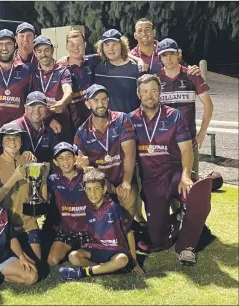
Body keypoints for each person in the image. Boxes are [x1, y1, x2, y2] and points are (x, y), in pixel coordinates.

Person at [129, 74, 211, 265]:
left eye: (154, 91)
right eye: (145, 92)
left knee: (196, 194)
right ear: (138, 94)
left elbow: (186, 149)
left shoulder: (174, 115)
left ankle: (186, 247)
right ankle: (177, 219)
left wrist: (185, 175)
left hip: (174, 175)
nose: (150, 95)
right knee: (157, 240)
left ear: (160, 93)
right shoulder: (130, 120)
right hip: (151, 182)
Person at [59, 169, 145, 280]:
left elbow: (129, 233)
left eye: (96, 189)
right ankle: (103, 269)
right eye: (89, 189)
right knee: (73, 256)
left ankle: (84, 272)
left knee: (122, 259)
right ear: (85, 190)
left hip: (115, 252)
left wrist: (134, 261)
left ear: (104, 189)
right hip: (96, 251)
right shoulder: (87, 210)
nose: (92, 193)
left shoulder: (115, 208)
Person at [74, 84, 139, 217]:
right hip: (101, 184)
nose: (101, 104)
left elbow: (130, 154)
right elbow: (80, 165)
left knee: (128, 199)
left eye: (104, 99)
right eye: (96, 100)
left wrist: (126, 182)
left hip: (123, 178)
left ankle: (129, 233)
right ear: (87, 104)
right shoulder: (82, 132)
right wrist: (81, 165)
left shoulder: (122, 119)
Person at [156, 38, 213, 178]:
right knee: (168, 186)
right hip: (164, 142)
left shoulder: (191, 75)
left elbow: (208, 104)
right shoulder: (155, 79)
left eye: (171, 54)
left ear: (178, 54)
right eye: (164, 55)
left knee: (192, 187)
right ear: (160, 57)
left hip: (189, 139)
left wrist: (202, 132)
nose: (168, 58)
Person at [0, 122, 43, 260]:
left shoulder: (29, 160)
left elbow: (38, 192)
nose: (12, 142)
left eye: (16, 138)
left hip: (28, 223)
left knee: (37, 265)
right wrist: (13, 178)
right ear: (1, 142)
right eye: (8, 138)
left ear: (22, 141)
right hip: (5, 226)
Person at [46, 143, 91, 266]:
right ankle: (71, 253)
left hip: (88, 230)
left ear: (75, 158)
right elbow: (42, 197)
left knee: (93, 257)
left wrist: (87, 168)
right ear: (55, 162)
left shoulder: (86, 176)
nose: (65, 161)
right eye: (60, 158)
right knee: (52, 261)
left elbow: (104, 186)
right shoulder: (52, 180)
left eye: (69, 156)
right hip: (66, 231)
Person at [32, 35, 74, 143]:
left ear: (52, 50)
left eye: (46, 50)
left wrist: (62, 102)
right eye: (39, 51)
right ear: (35, 53)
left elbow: (68, 90)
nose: (43, 54)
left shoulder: (62, 71)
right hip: (39, 119)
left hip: (60, 120)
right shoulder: (32, 72)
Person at [94, 29, 141, 114]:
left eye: (114, 44)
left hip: (130, 122)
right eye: (106, 45)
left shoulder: (135, 68)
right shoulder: (98, 68)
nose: (110, 49)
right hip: (107, 123)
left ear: (122, 45)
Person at [63, 30, 101, 130]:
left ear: (84, 45)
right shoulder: (61, 69)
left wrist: (139, 60)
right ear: (66, 46)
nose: (76, 48)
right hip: (72, 126)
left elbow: (118, 53)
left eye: (79, 44)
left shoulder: (93, 61)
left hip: (95, 125)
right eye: (72, 44)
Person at [10, 91, 59, 163]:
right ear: (25, 108)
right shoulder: (13, 129)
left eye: (40, 107)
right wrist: (19, 156)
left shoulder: (51, 131)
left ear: (46, 109)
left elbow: (56, 158)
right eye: (32, 107)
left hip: (44, 173)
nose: (36, 111)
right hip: (17, 172)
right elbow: (4, 159)